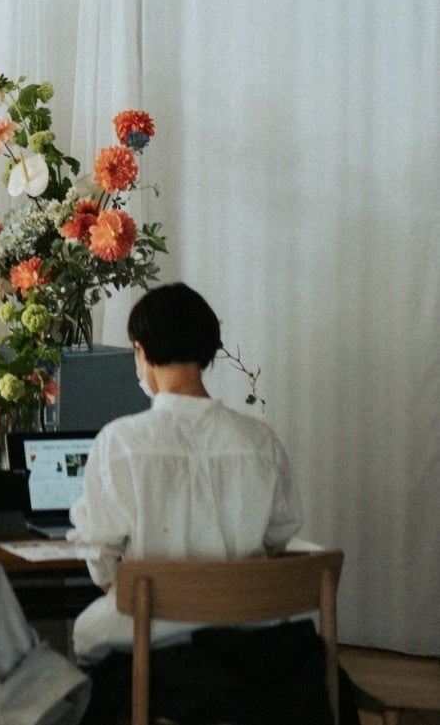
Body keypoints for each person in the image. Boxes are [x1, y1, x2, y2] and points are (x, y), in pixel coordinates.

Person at [68, 283, 326, 723]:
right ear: (208, 351)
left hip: (154, 646)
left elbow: (102, 564)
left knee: (86, 637)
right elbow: (280, 537)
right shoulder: (259, 441)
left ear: (141, 350)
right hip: (256, 651)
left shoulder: (120, 442)